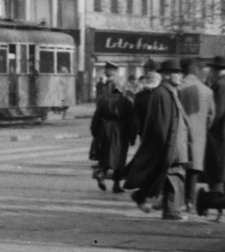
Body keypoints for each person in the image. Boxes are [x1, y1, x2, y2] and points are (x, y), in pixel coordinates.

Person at [124, 58, 191, 221]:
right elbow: (162, 124)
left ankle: (147, 199)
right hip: (171, 145)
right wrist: (166, 149)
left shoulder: (169, 92)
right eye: (177, 73)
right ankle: (172, 212)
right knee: (174, 176)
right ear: (167, 75)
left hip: (174, 144)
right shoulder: (162, 93)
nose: (181, 76)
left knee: (168, 177)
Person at [176, 57, 216, 213]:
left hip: (179, 134)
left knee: (178, 167)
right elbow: (212, 115)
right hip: (199, 135)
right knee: (193, 169)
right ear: (196, 70)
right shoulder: (207, 90)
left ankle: (176, 201)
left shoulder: (177, 88)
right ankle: (190, 202)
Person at [90, 62, 135, 193]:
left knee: (105, 154)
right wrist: (132, 136)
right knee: (120, 156)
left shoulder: (104, 99)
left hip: (105, 128)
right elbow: (132, 119)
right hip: (121, 130)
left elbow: (97, 116)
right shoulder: (126, 101)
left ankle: (101, 173)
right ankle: (116, 184)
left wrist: (95, 131)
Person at [203, 56, 225, 199]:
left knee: (215, 162)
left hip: (217, 133)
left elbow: (218, 111)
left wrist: (207, 125)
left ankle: (216, 193)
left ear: (215, 70)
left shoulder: (220, 85)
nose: (210, 72)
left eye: (211, 69)